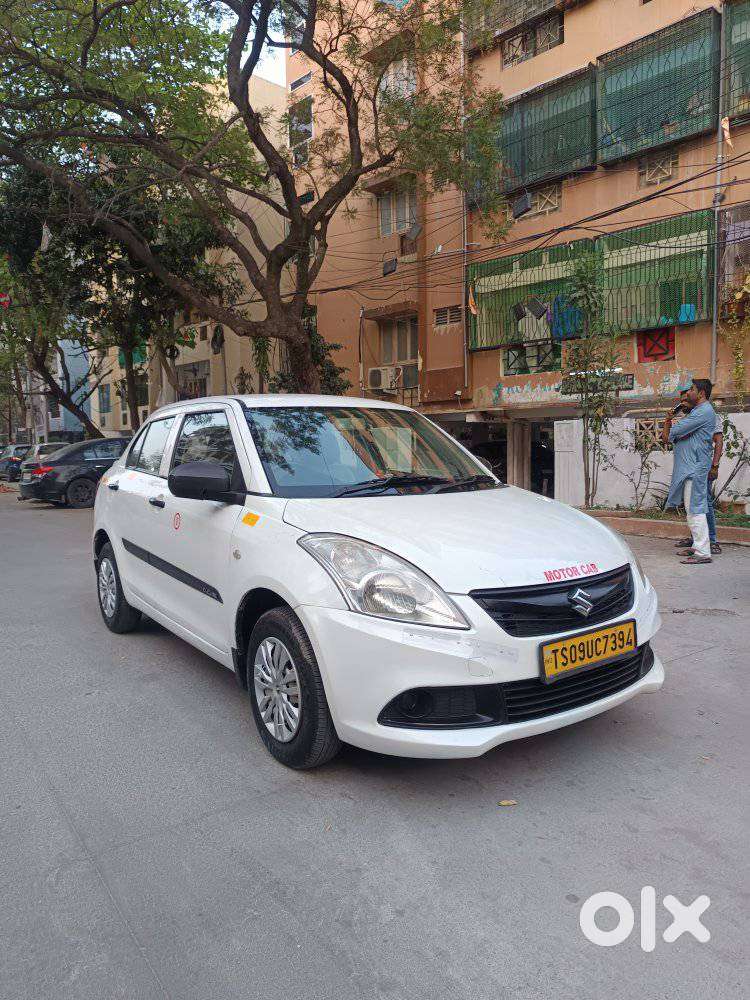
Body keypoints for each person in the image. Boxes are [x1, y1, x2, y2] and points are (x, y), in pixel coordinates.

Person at [662, 378, 717, 564]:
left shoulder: (703, 411)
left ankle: (702, 553)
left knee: (696, 509)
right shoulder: (697, 412)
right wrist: (669, 421)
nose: (688, 393)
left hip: (695, 469)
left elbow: (675, 431)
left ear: (701, 393)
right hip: (690, 469)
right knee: (692, 509)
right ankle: (698, 546)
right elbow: (669, 436)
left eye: (691, 389)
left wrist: (673, 424)